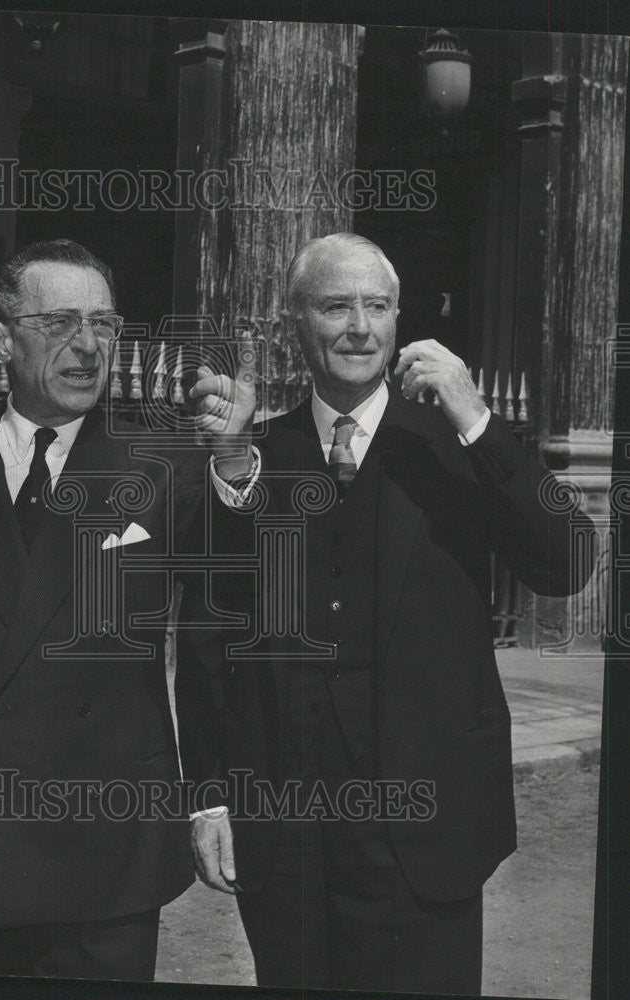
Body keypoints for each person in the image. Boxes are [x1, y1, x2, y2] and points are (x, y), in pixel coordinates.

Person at [184, 232, 595, 995]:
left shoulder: (456, 444)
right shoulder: (252, 453)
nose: (359, 327)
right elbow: (211, 632)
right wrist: (207, 794)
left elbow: (569, 562)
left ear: (399, 319)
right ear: (293, 324)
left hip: (424, 828)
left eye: (377, 307)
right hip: (288, 830)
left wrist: (474, 414)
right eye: (336, 306)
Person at [0, 238, 208, 979]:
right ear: (1, 338)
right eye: (59, 322)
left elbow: (251, 577)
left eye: (103, 323)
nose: (87, 346)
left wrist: (238, 460)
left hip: (106, 846)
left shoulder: (164, 466)